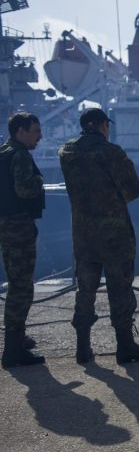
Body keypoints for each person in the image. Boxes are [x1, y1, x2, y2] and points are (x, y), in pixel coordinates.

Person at [59, 108, 139, 364]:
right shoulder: (111, 151)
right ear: (102, 126)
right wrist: (112, 200)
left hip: (83, 234)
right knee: (119, 286)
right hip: (114, 233)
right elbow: (134, 189)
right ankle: (125, 347)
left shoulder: (66, 152)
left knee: (86, 287)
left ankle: (83, 348)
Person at [0, 113, 46, 368]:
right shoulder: (19, 156)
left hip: (6, 225)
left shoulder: (3, 152)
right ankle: (13, 349)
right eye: (35, 130)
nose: (40, 136)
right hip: (18, 227)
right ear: (20, 131)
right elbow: (24, 189)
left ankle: (18, 338)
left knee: (16, 280)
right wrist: (39, 181)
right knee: (21, 287)